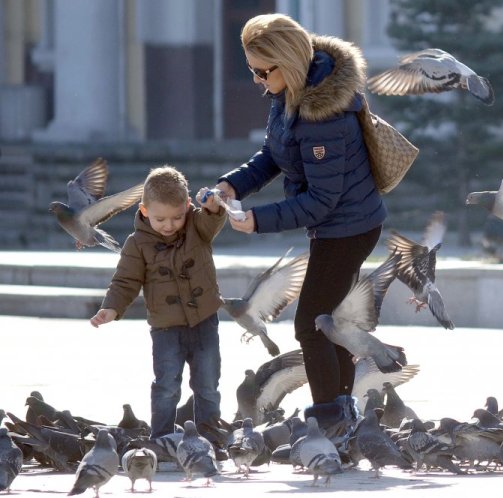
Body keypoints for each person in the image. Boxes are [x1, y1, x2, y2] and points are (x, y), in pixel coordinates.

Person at [210, 13, 387, 440]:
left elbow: (321, 202)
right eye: (250, 71)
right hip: (339, 223)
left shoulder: (323, 115)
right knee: (332, 322)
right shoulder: (291, 93)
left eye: (261, 71)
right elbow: (274, 155)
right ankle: (342, 413)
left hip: (348, 227)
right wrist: (233, 185)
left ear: (286, 62)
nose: (256, 80)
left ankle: (330, 421)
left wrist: (257, 221)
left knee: (312, 324)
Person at [90, 166, 227, 446]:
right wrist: (112, 308)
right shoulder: (137, 244)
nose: (169, 225)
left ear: (187, 207)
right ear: (144, 211)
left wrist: (213, 209)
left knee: (208, 384)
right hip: (166, 329)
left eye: (177, 217)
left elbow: (212, 220)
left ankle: (210, 433)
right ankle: (163, 437)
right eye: (160, 218)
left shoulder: (196, 227)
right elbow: (125, 281)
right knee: (166, 385)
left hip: (204, 321)